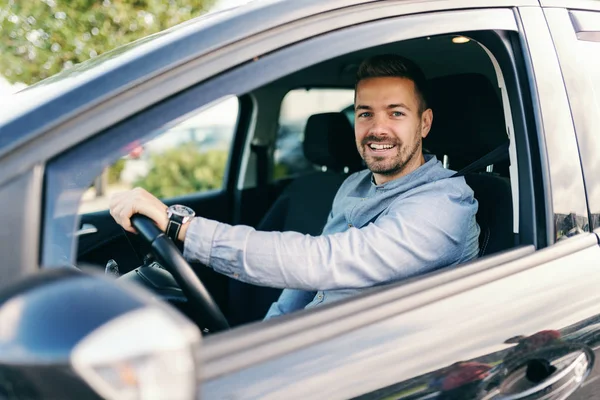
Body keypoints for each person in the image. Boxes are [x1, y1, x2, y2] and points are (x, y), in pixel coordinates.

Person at [109, 54, 480, 320]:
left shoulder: (444, 204)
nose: (377, 128)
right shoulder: (354, 184)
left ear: (425, 123)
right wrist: (268, 333)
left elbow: (323, 261)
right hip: (311, 343)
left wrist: (182, 227)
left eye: (396, 113)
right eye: (365, 113)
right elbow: (306, 286)